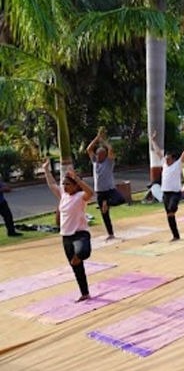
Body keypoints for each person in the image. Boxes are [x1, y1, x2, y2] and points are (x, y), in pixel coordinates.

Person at [42, 160, 94, 302]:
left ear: (75, 186)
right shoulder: (63, 195)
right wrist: (46, 170)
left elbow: (90, 193)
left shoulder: (80, 197)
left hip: (80, 234)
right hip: (66, 236)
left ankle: (79, 256)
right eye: (64, 184)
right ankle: (85, 293)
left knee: (83, 252)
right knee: (76, 267)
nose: (64, 186)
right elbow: (52, 184)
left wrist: (77, 178)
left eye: (68, 184)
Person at [149, 131, 184, 241]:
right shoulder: (164, 164)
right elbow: (158, 152)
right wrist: (153, 140)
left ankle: (174, 212)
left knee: (171, 210)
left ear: (173, 159)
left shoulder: (178, 164)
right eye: (166, 158)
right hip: (165, 193)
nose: (166, 160)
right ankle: (175, 235)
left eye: (168, 158)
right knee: (169, 215)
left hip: (175, 193)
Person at [86, 128, 122, 239]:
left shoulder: (109, 162)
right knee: (104, 214)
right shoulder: (95, 162)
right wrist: (97, 138)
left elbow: (110, 148)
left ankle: (108, 203)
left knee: (121, 199)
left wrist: (103, 140)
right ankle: (110, 234)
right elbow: (89, 149)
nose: (98, 156)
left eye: (101, 155)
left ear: (105, 155)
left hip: (110, 190)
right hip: (100, 192)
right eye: (97, 154)